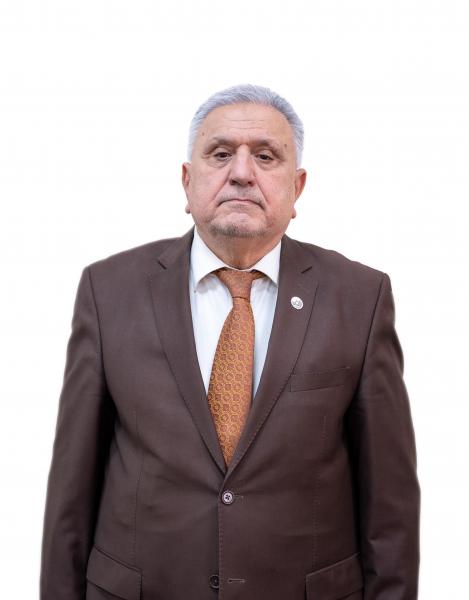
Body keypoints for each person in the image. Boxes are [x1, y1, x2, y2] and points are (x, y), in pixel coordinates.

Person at [40, 84, 420, 600]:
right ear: (187, 179)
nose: (241, 172)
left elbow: (390, 507)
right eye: (220, 154)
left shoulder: (360, 297)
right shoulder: (108, 291)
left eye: (266, 156)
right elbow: (72, 490)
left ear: (297, 187)